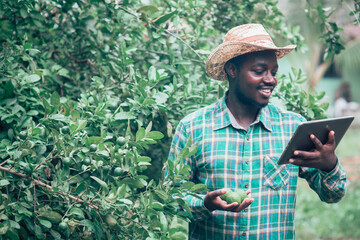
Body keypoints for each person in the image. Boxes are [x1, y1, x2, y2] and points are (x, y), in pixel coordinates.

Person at [168, 24, 347, 239]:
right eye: (259, 71)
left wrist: (329, 165)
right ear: (232, 70)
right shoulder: (193, 128)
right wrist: (204, 203)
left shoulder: (293, 128)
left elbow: (333, 195)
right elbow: (170, 198)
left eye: (273, 72)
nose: (270, 80)